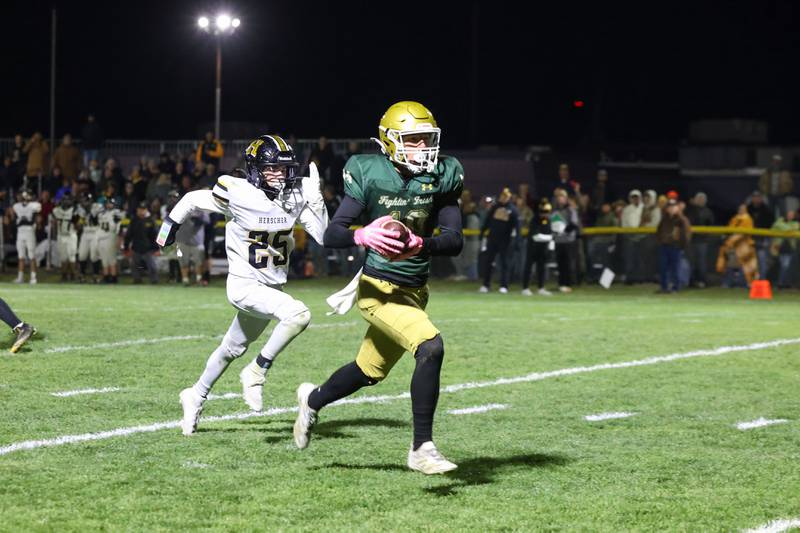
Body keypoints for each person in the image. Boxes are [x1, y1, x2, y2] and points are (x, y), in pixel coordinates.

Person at [293, 101, 463, 475]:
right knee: (430, 346)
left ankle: (312, 400)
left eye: (426, 138)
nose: (422, 146)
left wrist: (422, 244)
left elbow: (454, 239)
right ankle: (422, 449)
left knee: (368, 370)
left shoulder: (443, 173)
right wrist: (363, 235)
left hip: (415, 290)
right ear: (389, 141)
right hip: (378, 290)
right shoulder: (367, 171)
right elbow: (332, 233)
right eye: (413, 139)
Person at [157, 134, 328, 436]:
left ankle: (195, 395)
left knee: (231, 348)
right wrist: (167, 231)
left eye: (283, 168)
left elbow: (324, 237)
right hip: (245, 285)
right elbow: (192, 199)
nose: (279, 175)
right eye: (271, 168)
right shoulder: (238, 192)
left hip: (271, 289)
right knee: (299, 314)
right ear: (255, 169)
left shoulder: (294, 196)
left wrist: (318, 202)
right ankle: (257, 370)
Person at [478, 187, 520, 293]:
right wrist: (482, 232)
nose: (504, 198)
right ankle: (486, 284)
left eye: (506, 196)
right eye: (502, 196)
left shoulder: (513, 210)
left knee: (504, 263)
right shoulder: (495, 207)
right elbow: (488, 221)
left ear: (509, 197)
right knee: (489, 262)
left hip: (505, 240)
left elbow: (517, 227)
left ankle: (504, 285)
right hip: (492, 238)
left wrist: (517, 240)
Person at [655, 198, 691, 293]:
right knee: (663, 268)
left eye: (673, 207)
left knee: (675, 268)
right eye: (669, 207)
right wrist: (660, 242)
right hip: (664, 246)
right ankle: (664, 287)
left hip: (676, 247)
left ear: (677, 208)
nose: (671, 209)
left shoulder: (682, 220)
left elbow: (686, 234)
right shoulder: (664, 219)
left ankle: (676, 287)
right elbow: (658, 232)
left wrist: (681, 246)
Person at [521, 198, 554, 296]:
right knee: (528, 267)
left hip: (543, 248)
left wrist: (551, 246)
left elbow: (550, 233)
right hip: (533, 247)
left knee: (542, 268)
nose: (545, 214)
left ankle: (541, 288)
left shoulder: (548, 220)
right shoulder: (534, 220)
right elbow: (536, 236)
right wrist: (550, 238)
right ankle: (525, 288)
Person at [550, 189, 580, 292]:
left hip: (568, 240)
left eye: (562, 197)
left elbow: (574, 224)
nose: (560, 199)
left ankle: (568, 283)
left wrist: (563, 230)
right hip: (558, 241)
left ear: (566, 198)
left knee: (568, 263)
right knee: (560, 263)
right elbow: (552, 223)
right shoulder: (555, 211)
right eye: (558, 197)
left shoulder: (570, 210)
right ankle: (561, 284)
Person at [124, 202, 160, 284]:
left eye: (143, 209)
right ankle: (137, 280)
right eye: (140, 209)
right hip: (136, 247)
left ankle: (154, 281)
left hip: (149, 248)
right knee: (134, 266)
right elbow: (129, 234)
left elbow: (156, 235)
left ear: (146, 210)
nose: (141, 211)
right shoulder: (134, 220)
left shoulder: (151, 220)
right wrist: (126, 247)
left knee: (152, 266)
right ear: (137, 210)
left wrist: (157, 248)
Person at [12, 189, 42, 284]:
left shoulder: (34, 205)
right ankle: (20, 277)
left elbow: (38, 210)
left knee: (31, 255)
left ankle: (33, 277)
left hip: (29, 232)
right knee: (21, 256)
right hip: (20, 232)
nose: (22, 197)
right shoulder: (16, 206)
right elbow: (12, 213)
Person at [685, 192, 714, 287]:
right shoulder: (690, 210)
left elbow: (711, 225)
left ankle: (702, 281)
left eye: (702, 199)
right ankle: (691, 281)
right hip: (691, 239)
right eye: (699, 199)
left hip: (702, 240)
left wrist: (706, 234)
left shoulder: (708, 212)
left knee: (701, 263)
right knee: (691, 262)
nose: (701, 201)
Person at [52, 195, 79, 281]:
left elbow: (78, 226)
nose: (66, 202)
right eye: (64, 200)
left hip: (71, 235)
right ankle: (64, 275)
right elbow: (54, 223)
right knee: (63, 257)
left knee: (71, 256)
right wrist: (54, 235)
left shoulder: (75, 210)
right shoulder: (57, 210)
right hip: (61, 235)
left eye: (68, 200)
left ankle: (73, 275)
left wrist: (75, 220)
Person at [97, 197, 124, 283]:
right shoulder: (101, 213)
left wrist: (119, 238)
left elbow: (119, 225)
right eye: (107, 203)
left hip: (111, 236)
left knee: (111, 258)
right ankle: (106, 276)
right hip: (101, 237)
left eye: (110, 203)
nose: (109, 205)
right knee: (104, 259)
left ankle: (113, 276)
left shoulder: (116, 212)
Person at [76, 193, 102, 283]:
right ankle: (82, 274)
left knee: (94, 255)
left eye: (86, 200)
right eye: (83, 200)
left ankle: (96, 275)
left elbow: (96, 219)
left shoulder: (97, 207)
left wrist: (89, 211)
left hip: (95, 232)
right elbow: (79, 223)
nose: (84, 202)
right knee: (82, 255)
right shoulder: (80, 208)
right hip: (85, 232)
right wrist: (79, 222)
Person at [770, 209, 799, 289]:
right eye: (789, 214)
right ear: (786, 214)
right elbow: (773, 227)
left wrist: (781, 226)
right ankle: (777, 283)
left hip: (789, 248)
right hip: (777, 247)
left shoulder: (795, 223)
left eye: (792, 215)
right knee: (776, 266)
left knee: (785, 266)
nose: (790, 216)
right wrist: (785, 227)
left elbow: (792, 229)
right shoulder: (779, 221)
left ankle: (780, 283)